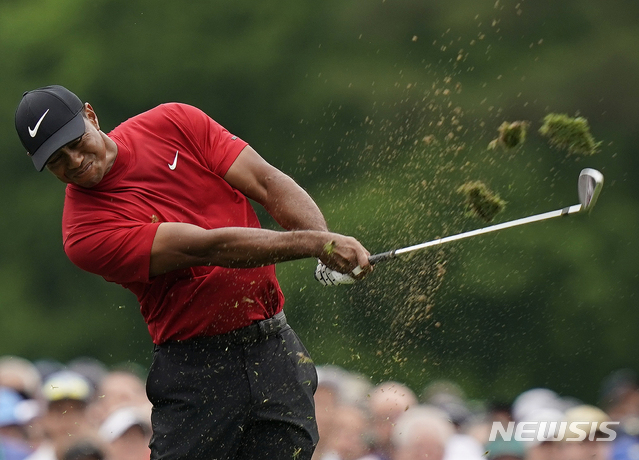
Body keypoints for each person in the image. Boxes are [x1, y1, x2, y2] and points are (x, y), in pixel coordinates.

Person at [14, 85, 372, 460]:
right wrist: (320, 246)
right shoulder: (83, 233)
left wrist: (325, 243)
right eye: (56, 159)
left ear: (90, 115)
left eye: (75, 141)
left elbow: (265, 181)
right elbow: (207, 247)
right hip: (197, 373)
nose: (73, 161)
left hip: (274, 349)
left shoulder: (173, 122)